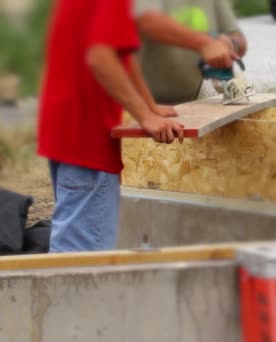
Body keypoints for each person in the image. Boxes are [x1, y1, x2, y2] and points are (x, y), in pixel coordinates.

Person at [37, 0, 186, 252]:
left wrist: (149, 106)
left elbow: (120, 55)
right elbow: (101, 57)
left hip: (64, 129)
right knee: (80, 260)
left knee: (72, 245)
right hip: (87, 136)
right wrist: (145, 117)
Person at [134, 0, 248, 104]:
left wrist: (230, 44)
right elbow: (147, 21)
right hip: (136, 104)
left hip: (190, 102)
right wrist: (206, 44)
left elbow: (239, 39)